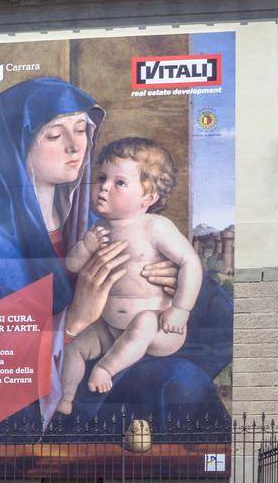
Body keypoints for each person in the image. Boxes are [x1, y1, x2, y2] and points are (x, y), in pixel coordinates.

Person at [0, 76, 231, 439]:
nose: (76, 147)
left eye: (81, 131)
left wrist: (169, 281)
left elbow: (215, 315)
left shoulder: (93, 217)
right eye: (55, 136)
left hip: (108, 362)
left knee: (184, 381)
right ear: (18, 144)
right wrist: (73, 319)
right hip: (26, 401)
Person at [58, 138, 202, 413]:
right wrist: (87, 246)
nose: (104, 187)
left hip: (160, 329)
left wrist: (181, 309)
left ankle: (105, 369)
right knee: (75, 348)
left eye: (119, 183)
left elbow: (190, 263)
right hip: (110, 328)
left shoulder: (154, 227)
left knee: (144, 322)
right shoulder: (98, 229)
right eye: (102, 178)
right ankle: (65, 398)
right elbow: (73, 266)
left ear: (148, 198)